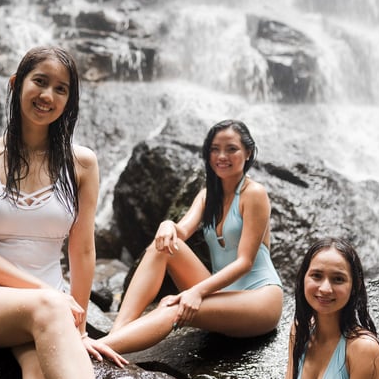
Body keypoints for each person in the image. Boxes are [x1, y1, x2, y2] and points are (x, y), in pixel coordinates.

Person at [0, 46, 127, 379]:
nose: (48, 96)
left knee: (44, 378)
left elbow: (82, 248)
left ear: (70, 99)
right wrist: (46, 294)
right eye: (40, 82)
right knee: (47, 310)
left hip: (48, 311)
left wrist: (78, 331)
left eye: (61, 89)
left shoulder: (83, 164)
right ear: (16, 84)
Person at [99, 119, 284, 354]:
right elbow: (182, 231)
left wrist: (194, 292)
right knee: (164, 246)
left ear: (247, 152)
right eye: (215, 149)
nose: (222, 156)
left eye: (231, 149)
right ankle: (116, 334)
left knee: (175, 307)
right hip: (222, 296)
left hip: (259, 299)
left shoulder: (254, 194)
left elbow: (244, 263)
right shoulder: (208, 196)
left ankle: (95, 349)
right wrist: (167, 224)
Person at [281, 237, 379, 379]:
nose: (325, 289)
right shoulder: (300, 330)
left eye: (338, 279)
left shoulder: (364, 350)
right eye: (317, 275)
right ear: (303, 278)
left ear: (355, 286)